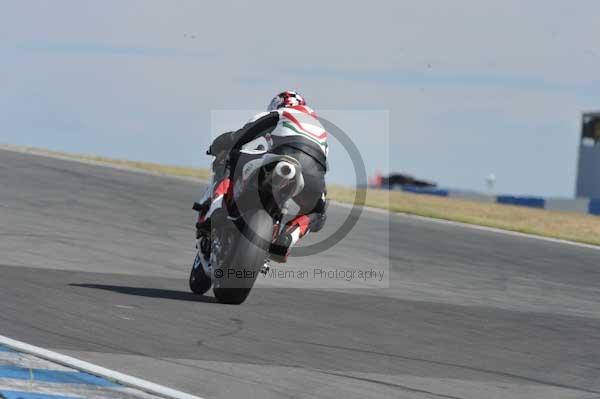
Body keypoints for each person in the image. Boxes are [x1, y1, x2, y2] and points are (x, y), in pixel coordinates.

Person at [197, 90, 328, 262]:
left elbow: (242, 135)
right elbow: (322, 164)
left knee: (231, 157)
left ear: (278, 104)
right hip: (313, 176)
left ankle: (217, 206)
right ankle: (288, 237)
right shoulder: (320, 128)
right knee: (318, 211)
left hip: (282, 155)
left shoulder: (279, 113)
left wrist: (219, 145)